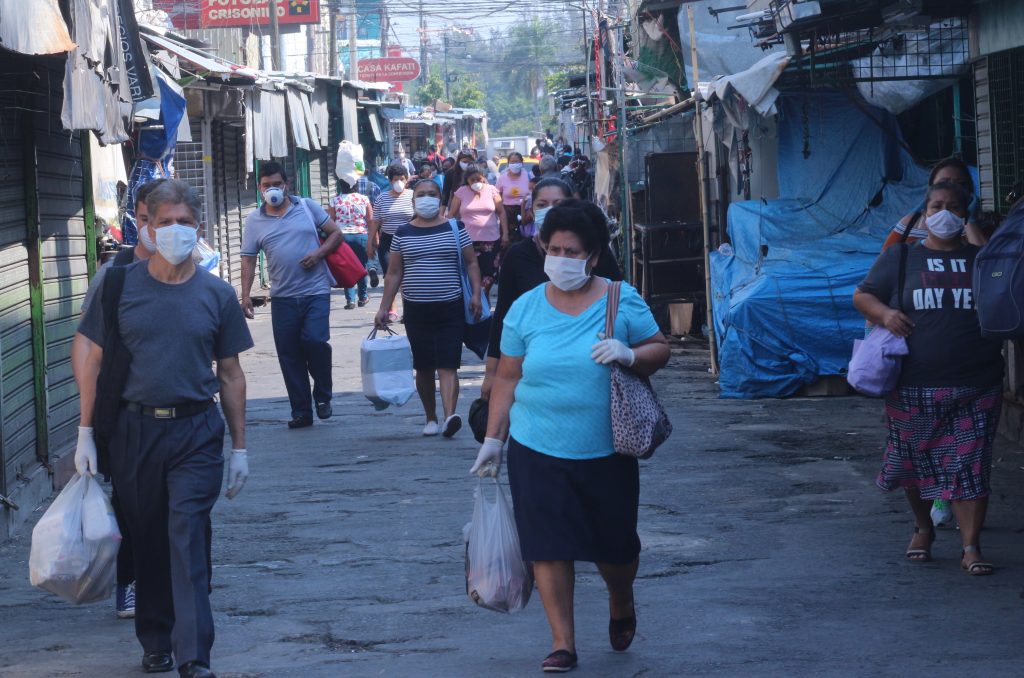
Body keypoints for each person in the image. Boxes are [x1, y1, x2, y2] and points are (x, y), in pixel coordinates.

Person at [471, 199, 669, 672]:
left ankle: (621, 598)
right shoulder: (525, 309)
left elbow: (659, 348)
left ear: (593, 256)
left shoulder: (621, 299)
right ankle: (563, 642)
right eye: (553, 249)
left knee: (616, 548)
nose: (561, 259)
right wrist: (494, 440)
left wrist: (629, 354)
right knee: (547, 546)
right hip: (536, 444)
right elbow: (508, 377)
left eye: (572, 251)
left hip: (607, 447)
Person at [74, 179, 253, 678]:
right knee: (148, 537)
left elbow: (231, 374)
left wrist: (240, 448)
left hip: (196, 431)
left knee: (187, 533)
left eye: (185, 222)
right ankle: (155, 639)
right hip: (135, 432)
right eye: (165, 222)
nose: (175, 230)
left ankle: (193, 654)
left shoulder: (217, 295)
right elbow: (91, 359)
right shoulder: (118, 286)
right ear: (147, 227)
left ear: (199, 227)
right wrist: (85, 432)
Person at [854, 181, 1004, 575]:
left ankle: (971, 547)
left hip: (977, 383)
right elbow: (863, 295)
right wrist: (885, 314)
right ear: (924, 213)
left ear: (965, 215)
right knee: (912, 464)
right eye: (937, 206)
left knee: (971, 464)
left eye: (954, 207)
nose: (945, 214)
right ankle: (923, 528)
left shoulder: (982, 261)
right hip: (912, 384)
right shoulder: (901, 257)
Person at [75, 178, 167, 621]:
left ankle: (179, 583)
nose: (155, 229)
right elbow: (87, 349)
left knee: (181, 505)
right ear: (138, 219)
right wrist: (85, 427)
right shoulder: (112, 277)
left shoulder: (193, 271)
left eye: (164, 221)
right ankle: (129, 582)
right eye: (147, 219)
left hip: (183, 413)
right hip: (124, 413)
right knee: (131, 506)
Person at [481, 179, 622, 400]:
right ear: (531, 209)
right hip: (532, 365)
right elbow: (502, 316)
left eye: (558, 203)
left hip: (590, 364)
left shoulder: (595, 252)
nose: (550, 210)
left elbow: (619, 299)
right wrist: (492, 372)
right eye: (542, 204)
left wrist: (627, 353)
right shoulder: (518, 256)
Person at [373, 178, 483, 437]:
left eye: (432, 194)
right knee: (423, 366)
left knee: (448, 363)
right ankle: (430, 417)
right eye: (421, 194)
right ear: (413, 201)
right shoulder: (402, 233)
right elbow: (394, 273)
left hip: (451, 307)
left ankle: (449, 416)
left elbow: (471, 263)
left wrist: (477, 294)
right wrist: (384, 307)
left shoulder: (455, 227)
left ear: (440, 199)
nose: (426, 198)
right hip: (416, 310)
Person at [240, 161, 343, 429]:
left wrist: (318, 254)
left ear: (286, 185)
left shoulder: (307, 206)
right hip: (282, 297)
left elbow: (336, 234)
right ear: (259, 188)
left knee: (315, 341)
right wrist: (245, 294)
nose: (272, 189)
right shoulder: (254, 221)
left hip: (315, 291)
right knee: (289, 354)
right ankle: (301, 411)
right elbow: (248, 258)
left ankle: (323, 394)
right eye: (266, 185)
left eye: (277, 184)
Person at [883, 158, 987, 250]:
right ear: (930, 188)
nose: (950, 190)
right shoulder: (911, 223)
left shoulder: (981, 224)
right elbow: (886, 259)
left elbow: (985, 261)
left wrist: (970, 222)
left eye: (960, 184)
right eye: (943, 183)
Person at [447, 167, 509, 297]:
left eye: (478, 179)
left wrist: (505, 233)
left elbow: (501, 212)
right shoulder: (461, 192)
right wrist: (449, 234)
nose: (476, 182)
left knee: (489, 274)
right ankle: (473, 300)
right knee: (470, 273)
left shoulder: (492, 190)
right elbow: (451, 214)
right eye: (472, 180)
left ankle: (483, 299)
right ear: (467, 180)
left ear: (483, 178)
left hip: (491, 240)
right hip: (467, 241)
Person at [368, 164, 416, 322]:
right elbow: (375, 221)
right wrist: (370, 242)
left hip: (409, 241)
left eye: (402, 179)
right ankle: (392, 310)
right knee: (390, 275)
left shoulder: (413, 196)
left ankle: (408, 310)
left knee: (407, 278)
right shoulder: (382, 198)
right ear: (390, 181)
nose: (399, 182)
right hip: (388, 242)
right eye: (396, 179)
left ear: (407, 179)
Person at [329, 179, 374, 310]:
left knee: (346, 268)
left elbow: (331, 221)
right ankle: (363, 296)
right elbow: (370, 220)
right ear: (355, 185)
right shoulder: (364, 199)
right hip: (360, 236)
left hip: (341, 237)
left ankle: (350, 300)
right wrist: (373, 238)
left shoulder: (335, 201)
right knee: (361, 266)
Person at [495, 152, 530, 242]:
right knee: (507, 242)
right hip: (508, 213)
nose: (515, 164)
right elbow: (497, 196)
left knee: (524, 241)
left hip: (525, 212)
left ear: (522, 163)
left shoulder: (529, 176)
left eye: (517, 162)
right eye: (512, 162)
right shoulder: (502, 178)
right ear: (508, 164)